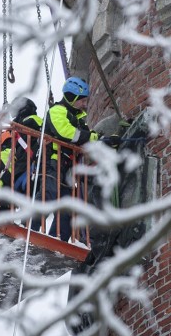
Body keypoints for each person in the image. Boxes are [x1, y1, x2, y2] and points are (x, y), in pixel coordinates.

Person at [31, 77, 120, 241]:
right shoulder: (57, 111)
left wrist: (109, 141)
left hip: (68, 167)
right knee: (48, 195)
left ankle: (57, 240)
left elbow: (89, 139)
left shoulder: (79, 120)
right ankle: (29, 230)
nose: (85, 104)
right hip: (52, 162)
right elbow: (65, 132)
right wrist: (92, 138)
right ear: (72, 97)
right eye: (82, 100)